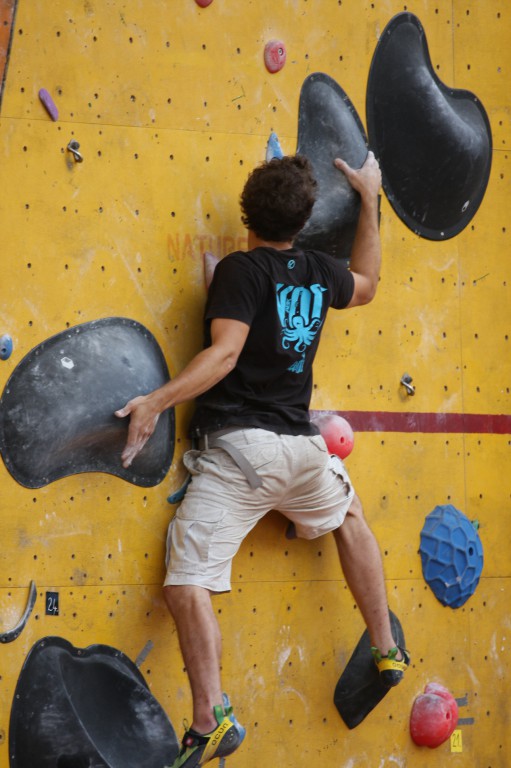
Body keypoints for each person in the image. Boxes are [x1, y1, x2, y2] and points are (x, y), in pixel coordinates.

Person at [115, 151, 410, 768]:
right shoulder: (319, 270)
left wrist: (155, 402)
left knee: (186, 581)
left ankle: (210, 719)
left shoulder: (241, 272)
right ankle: (387, 648)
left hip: (242, 453)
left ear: (246, 213)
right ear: (303, 222)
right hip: (304, 451)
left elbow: (225, 355)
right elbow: (368, 282)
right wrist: (369, 197)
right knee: (349, 515)